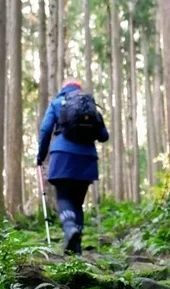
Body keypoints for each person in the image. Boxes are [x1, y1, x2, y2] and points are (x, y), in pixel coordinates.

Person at [37, 79, 109, 255]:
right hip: (87, 159)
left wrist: (40, 155)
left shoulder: (57, 103)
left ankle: (69, 229)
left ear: (63, 89)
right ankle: (75, 249)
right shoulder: (89, 105)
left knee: (63, 197)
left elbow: (46, 130)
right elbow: (104, 135)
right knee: (78, 203)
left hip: (62, 156)